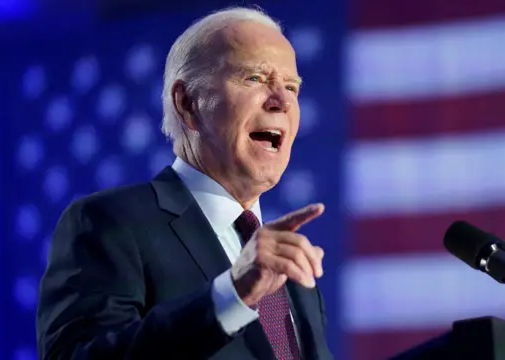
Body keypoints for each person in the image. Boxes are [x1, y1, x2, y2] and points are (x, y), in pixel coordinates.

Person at [36, 6, 333, 360]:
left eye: (291, 86)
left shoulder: (292, 274)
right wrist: (231, 295)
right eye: (254, 78)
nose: (282, 101)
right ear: (187, 103)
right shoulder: (110, 224)